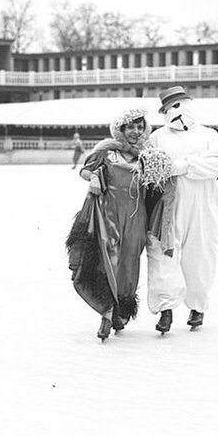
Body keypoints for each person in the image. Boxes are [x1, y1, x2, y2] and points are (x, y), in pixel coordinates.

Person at [145, 86, 218, 333]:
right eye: (169, 109)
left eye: (179, 105)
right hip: (167, 206)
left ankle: (197, 306)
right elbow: (148, 165)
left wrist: (182, 166)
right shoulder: (158, 137)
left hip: (202, 204)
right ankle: (166, 309)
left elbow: (217, 163)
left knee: (200, 253)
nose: (175, 112)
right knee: (164, 253)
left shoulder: (211, 136)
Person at [65, 108, 150, 341]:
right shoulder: (107, 150)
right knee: (108, 261)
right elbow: (85, 169)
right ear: (121, 129)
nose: (135, 132)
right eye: (131, 127)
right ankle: (106, 311)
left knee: (129, 264)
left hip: (136, 217)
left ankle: (121, 310)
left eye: (140, 127)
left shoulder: (148, 156)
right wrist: (92, 178)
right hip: (109, 213)